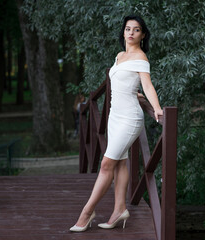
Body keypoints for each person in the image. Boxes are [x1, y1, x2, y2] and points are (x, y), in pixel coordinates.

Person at [70, 15, 163, 232]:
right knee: (120, 162)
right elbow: (123, 82)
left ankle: (86, 213)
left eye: (136, 29)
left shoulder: (141, 57)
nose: (131, 32)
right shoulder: (120, 55)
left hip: (130, 118)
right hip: (113, 116)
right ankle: (119, 209)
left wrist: (156, 108)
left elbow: (147, 86)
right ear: (123, 32)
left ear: (143, 34)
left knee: (105, 165)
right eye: (128, 28)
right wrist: (134, 92)